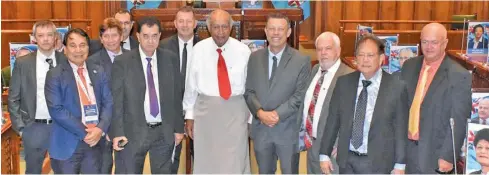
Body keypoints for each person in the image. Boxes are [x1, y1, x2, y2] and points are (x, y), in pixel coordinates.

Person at [319, 34, 408, 174]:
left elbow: (401, 129)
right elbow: (332, 121)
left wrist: (400, 165)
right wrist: (324, 153)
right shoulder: (344, 83)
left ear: (381, 58)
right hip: (347, 160)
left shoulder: (396, 87)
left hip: (379, 163)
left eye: (370, 55)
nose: (365, 60)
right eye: (361, 55)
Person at [110, 16, 184, 174]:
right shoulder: (123, 62)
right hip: (132, 133)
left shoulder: (170, 59)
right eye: (145, 36)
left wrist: (178, 128)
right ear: (137, 37)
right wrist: (118, 132)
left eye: (154, 36)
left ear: (160, 36)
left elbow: (176, 96)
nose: (150, 40)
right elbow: (117, 101)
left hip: (163, 131)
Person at [183, 9, 251, 173]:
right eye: (216, 27)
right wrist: (190, 116)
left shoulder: (243, 51)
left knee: (234, 161)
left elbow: (250, 88)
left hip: (236, 115)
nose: (220, 32)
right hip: (206, 116)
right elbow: (190, 86)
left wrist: (250, 118)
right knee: (207, 162)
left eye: (224, 27)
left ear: (231, 28)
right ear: (208, 28)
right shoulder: (198, 50)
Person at [245, 12, 311, 174]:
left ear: (288, 32)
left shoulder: (301, 60)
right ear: (266, 31)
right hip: (262, 130)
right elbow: (249, 91)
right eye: (272, 29)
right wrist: (260, 113)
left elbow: (299, 95)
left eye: (280, 29)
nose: (276, 33)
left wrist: (276, 114)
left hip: (287, 130)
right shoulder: (254, 58)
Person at [401, 23, 472, 174]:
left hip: (434, 155)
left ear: (445, 43)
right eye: (424, 42)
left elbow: (458, 120)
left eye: (434, 42)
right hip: (405, 151)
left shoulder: (459, 75)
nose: (428, 47)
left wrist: (447, 156)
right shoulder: (409, 66)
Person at [44, 28, 112, 174]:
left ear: (88, 48)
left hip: (95, 143)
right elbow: (56, 109)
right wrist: (86, 133)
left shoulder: (98, 71)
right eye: (73, 45)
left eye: (83, 45)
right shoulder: (54, 75)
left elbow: (108, 103)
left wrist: (100, 129)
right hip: (67, 143)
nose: (78, 50)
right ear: (65, 49)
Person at [7, 20, 65, 174]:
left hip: (62, 128)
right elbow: (13, 98)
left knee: (65, 170)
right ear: (34, 38)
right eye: (41, 35)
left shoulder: (66, 60)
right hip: (34, 128)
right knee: (33, 171)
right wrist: (21, 128)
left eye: (49, 35)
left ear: (56, 38)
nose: (45, 39)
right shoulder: (23, 63)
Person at [296, 32, 354, 174]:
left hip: (333, 149)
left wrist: (342, 142)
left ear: (338, 50)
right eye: (319, 49)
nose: (323, 53)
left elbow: (355, 115)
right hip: (312, 145)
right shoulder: (315, 70)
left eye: (328, 48)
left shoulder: (349, 76)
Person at [158, 6, 200, 173]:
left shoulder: (205, 46)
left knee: (200, 154)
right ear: (175, 23)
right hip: (170, 109)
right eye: (181, 21)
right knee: (171, 156)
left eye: (188, 21)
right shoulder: (162, 47)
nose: (185, 25)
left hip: (197, 108)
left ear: (195, 23)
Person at [87, 17, 128, 174]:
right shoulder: (92, 62)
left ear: (122, 36)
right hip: (102, 124)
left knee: (125, 168)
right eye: (106, 36)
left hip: (126, 123)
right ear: (101, 39)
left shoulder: (133, 57)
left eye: (114, 35)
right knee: (103, 168)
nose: (111, 40)